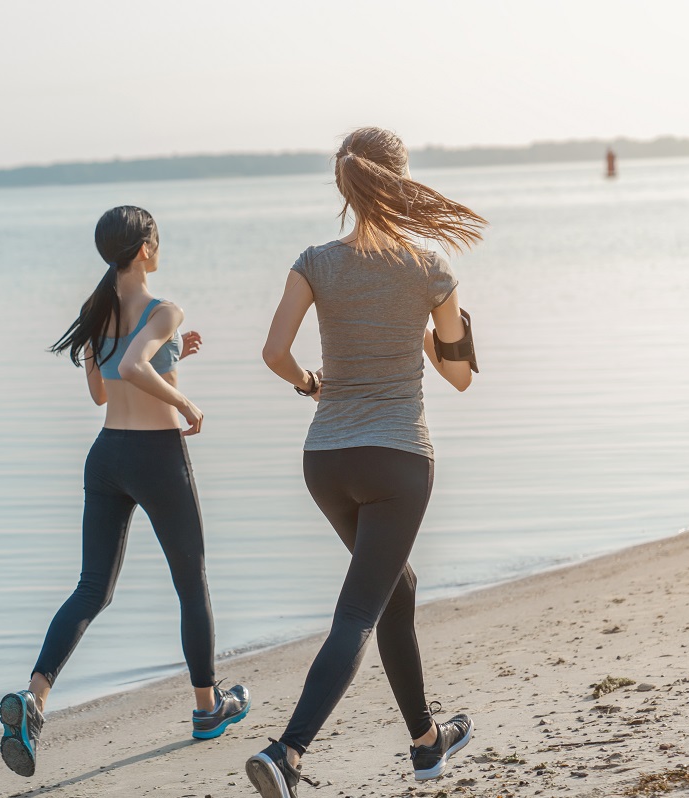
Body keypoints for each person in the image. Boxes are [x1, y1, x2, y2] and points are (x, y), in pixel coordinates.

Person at [246, 127, 485, 797]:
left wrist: (310, 384)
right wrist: (453, 328)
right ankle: (288, 751)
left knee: (394, 590)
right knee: (358, 612)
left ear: (343, 185)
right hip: (396, 460)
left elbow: (273, 353)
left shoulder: (315, 261)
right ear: (400, 182)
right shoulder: (429, 265)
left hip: (325, 459)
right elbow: (459, 376)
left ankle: (426, 743)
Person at [0, 206, 249, 778]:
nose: (160, 249)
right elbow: (136, 363)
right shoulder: (165, 309)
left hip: (106, 457)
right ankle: (208, 710)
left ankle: (34, 699)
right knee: (192, 582)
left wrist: (177, 353)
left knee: (92, 589)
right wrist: (187, 402)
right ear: (143, 251)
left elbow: (103, 391)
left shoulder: (97, 310)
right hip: (158, 458)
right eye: (157, 241)